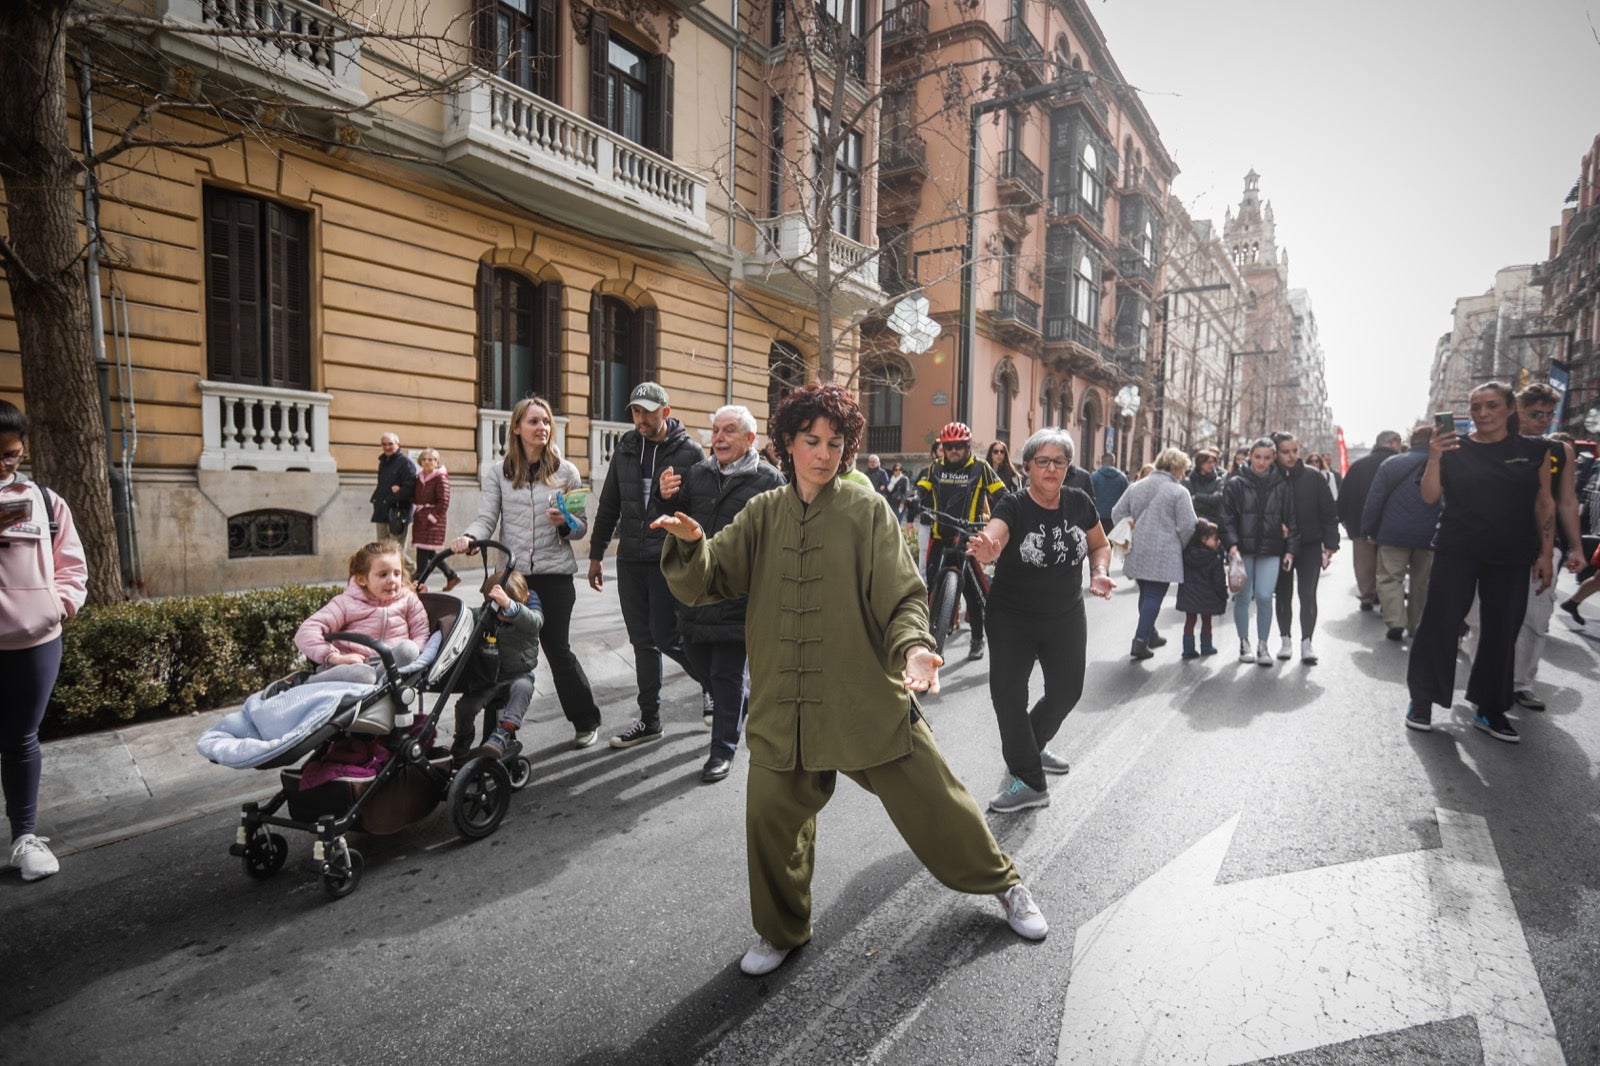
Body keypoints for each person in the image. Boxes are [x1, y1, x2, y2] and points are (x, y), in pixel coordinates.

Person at [654, 383, 1048, 977]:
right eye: (811, 441)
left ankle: (1005, 884)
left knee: (940, 804)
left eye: (835, 443)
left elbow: (902, 596)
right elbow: (711, 577)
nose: (823, 453)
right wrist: (692, 546)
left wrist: (917, 649)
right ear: (787, 443)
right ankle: (781, 929)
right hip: (784, 703)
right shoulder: (761, 513)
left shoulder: (867, 511)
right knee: (770, 820)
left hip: (864, 695)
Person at [965, 428, 1112, 812]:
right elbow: (994, 536)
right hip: (1013, 617)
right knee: (1010, 698)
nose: (1050, 469)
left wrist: (1098, 572)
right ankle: (1030, 781)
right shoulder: (1013, 506)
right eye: (1042, 461)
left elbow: (1099, 544)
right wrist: (988, 548)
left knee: (1067, 691)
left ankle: (1031, 747)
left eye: (1059, 462)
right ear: (1027, 466)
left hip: (1065, 615)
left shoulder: (1079, 502)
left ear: (1068, 467)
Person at [1404, 382, 1554, 742]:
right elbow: (1429, 496)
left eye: (1491, 406)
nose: (1483, 413)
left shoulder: (1534, 450)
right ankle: (1422, 700)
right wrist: (1436, 456)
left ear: (1508, 409)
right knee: (1439, 623)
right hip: (1458, 549)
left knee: (1503, 630)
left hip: (1513, 553)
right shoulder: (1453, 449)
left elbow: (1543, 503)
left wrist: (1546, 554)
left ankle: (1490, 709)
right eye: (1475, 407)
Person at [455, 395, 604, 748]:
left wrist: (564, 522)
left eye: (546, 421)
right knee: (502, 657)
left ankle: (586, 720)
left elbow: (581, 527)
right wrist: (471, 537)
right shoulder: (499, 472)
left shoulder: (566, 471)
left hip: (555, 577)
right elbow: (486, 519)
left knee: (557, 649)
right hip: (514, 579)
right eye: (534, 421)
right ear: (518, 428)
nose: (542, 428)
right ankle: (498, 736)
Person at [656, 405, 784, 783]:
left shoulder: (770, 480)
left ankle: (722, 750)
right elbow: (675, 521)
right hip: (697, 593)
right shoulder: (697, 474)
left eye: (729, 430)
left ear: (749, 439)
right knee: (699, 660)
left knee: (726, 674)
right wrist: (665, 499)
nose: (719, 438)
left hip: (738, 595)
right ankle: (737, 704)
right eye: (715, 430)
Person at [588, 382, 708, 748]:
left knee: (667, 636)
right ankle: (650, 720)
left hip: (666, 559)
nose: (640, 419)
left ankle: (715, 683)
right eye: (635, 412)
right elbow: (609, 504)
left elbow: (702, 508)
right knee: (642, 641)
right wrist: (596, 554)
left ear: (665, 413)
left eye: (647, 412)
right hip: (629, 560)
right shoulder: (625, 448)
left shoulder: (690, 453)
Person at [0, 400, 88, 882]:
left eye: (11, 455)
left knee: (20, 740)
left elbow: (71, 566)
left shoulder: (46, 501)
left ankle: (25, 837)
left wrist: (57, 606)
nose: (4, 465)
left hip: (34, 642)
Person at [1503, 387, 1584, 711]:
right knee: (1482, 619)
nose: (1544, 421)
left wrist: (1575, 547)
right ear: (1517, 410)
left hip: (1543, 547)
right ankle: (1489, 678)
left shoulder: (1560, 450)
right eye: (1536, 413)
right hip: (1495, 543)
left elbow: (1566, 501)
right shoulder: (1495, 444)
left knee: (1536, 618)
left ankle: (1521, 683)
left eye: (1550, 415)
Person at [913, 422, 1005, 660]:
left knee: (974, 593)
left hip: (969, 537)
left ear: (967, 446)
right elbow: (920, 490)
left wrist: (1002, 516)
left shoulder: (980, 468)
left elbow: (1002, 494)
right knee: (932, 587)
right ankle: (930, 634)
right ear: (943, 447)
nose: (954, 450)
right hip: (939, 535)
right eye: (949, 446)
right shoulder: (935, 469)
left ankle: (977, 638)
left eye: (959, 446)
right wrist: (915, 499)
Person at [294, 540, 431, 686]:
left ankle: (378, 685)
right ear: (362, 580)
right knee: (364, 675)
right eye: (383, 574)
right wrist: (334, 657)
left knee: (409, 649)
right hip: (352, 667)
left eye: (397, 573)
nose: (392, 580)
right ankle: (308, 682)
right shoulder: (346, 602)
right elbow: (305, 632)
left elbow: (421, 634)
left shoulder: (408, 600)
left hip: (390, 666)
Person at [1111, 448, 1198, 660]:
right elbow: (1188, 525)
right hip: (1165, 550)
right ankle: (1140, 641)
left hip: (1137, 548)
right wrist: (1181, 545)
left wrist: (1132, 530)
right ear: (1176, 468)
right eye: (1183, 470)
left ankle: (1150, 634)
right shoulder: (1179, 492)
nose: (1183, 474)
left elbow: (1116, 513)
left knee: (1145, 593)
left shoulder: (1137, 486)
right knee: (1153, 595)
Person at [449, 572, 544, 763]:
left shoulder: (528, 617)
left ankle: (503, 734)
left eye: (505, 608)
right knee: (465, 706)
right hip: (490, 678)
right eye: (498, 609)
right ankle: (462, 741)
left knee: (523, 689)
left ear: (524, 600)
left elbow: (535, 623)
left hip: (519, 675)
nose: (502, 614)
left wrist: (511, 606)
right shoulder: (489, 615)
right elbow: (465, 617)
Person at [1360, 424, 1442, 642]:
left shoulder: (1392, 463)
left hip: (1393, 532)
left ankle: (1396, 621)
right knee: (1422, 581)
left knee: (1389, 578)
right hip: (1429, 534)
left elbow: (1375, 500)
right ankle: (1416, 625)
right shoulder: (1443, 464)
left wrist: (1369, 529)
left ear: (1412, 441)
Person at [1221, 438, 1297, 666]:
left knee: (1264, 596)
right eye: (1257, 457)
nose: (1261, 462)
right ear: (1250, 457)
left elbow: (1291, 519)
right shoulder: (1235, 484)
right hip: (1243, 550)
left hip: (1271, 549)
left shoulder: (1282, 486)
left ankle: (1263, 645)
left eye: (1266, 457)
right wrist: (1232, 545)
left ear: (1273, 458)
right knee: (1243, 596)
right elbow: (1226, 518)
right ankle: (1244, 642)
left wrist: (1290, 550)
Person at [1271, 432, 1339, 664]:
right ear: (1276, 453)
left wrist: (1330, 545)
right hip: (1281, 546)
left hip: (1310, 545)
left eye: (1294, 451)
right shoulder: (1271, 477)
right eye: (1285, 452)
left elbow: (1329, 513)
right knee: (1283, 594)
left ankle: (1307, 642)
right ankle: (1285, 640)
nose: (1291, 456)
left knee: (1308, 594)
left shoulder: (1313, 477)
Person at [1337, 430, 1404, 613]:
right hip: (1392, 523)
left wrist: (1342, 516)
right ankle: (1386, 597)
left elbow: (1345, 492)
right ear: (1393, 442)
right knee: (1389, 562)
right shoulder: (1400, 465)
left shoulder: (1359, 465)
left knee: (1363, 561)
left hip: (1359, 521)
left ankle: (1367, 595)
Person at [1176, 519, 1228, 659]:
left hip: (1189, 595)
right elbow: (1218, 580)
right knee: (1206, 621)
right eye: (1216, 539)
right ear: (1204, 539)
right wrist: (1223, 595)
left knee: (1190, 622)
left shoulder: (1186, 555)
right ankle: (1206, 646)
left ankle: (1188, 649)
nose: (1218, 542)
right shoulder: (1214, 558)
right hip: (1208, 596)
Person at [411, 448, 461, 593]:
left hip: (433, 521)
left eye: (431, 459)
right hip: (420, 519)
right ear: (420, 461)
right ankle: (451, 575)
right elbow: (415, 496)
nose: (427, 462)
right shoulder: (419, 478)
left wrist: (432, 518)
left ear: (437, 462)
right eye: (424, 459)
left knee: (423, 551)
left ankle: (418, 582)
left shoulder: (440, 478)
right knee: (430, 552)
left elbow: (444, 502)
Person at [370, 432, 418, 547]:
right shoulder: (383, 462)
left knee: (396, 550)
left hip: (398, 513)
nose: (387, 447)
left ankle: (407, 566)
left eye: (390, 444)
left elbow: (409, 488)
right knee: (382, 549)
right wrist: (375, 498)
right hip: (381, 512)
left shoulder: (406, 464)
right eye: (384, 444)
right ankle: (410, 566)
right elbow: (381, 484)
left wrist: (390, 499)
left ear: (398, 444)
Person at [1090, 452, 1129, 533]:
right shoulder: (1122, 478)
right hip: (1115, 518)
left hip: (1097, 517)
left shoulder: (1094, 477)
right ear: (1113, 462)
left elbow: (1089, 496)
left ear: (1102, 462)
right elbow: (1126, 499)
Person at [1184, 449, 1225, 523]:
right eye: (1209, 462)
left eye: (1213, 462)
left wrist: (1197, 496)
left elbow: (1220, 500)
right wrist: (1210, 499)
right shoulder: (1188, 482)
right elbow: (1188, 504)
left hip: (1213, 524)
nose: (1212, 465)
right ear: (1200, 463)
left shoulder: (1218, 481)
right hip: (1193, 523)